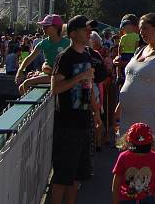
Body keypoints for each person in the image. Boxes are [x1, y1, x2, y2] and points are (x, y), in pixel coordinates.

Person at [50, 15, 98, 204]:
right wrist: (79, 77)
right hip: (66, 126)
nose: (89, 32)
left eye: (89, 29)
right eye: (84, 29)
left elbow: (89, 86)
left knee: (77, 178)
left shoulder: (86, 55)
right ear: (72, 33)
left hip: (83, 123)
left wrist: (96, 112)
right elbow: (56, 88)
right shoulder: (65, 57)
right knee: (62, 177)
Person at [117, 13, 155, 154]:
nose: (141, 32)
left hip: (149, 118)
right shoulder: (139, 50)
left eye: (145, 28)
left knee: (148, 166)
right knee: (125, 162)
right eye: (140, 29)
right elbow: (130, 79)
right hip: (127, 116)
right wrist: (120, 106)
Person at [112, 122, 155, 204]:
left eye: (143, 149)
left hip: (146, 199)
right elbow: (117, 179)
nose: (140, 153)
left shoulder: (154, 157)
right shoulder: (124, 157)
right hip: (127, 199)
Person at [15, 14, 69, 86]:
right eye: (43, 26)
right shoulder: (44, 43)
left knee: (26, 84)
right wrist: (20, 71)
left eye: (46, 26)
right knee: (22, 87)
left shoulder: (68, 43)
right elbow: (30, 58)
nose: (43, 28)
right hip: (49, 74)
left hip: (60, 75)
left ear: (56, 27)